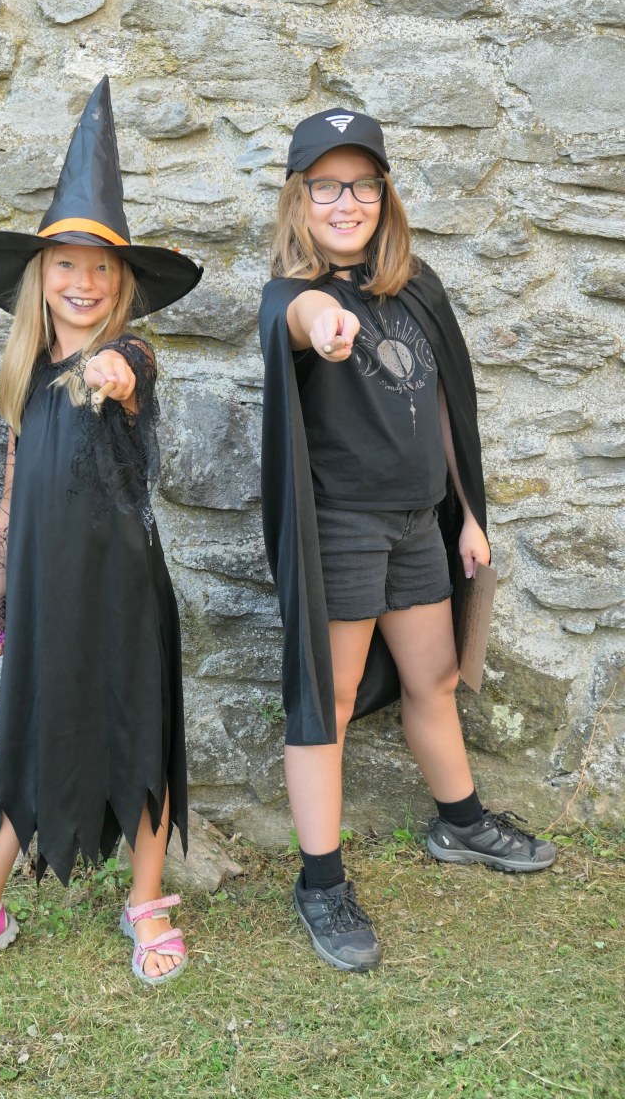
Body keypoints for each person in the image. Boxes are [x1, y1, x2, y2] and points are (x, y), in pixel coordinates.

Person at [0, 77, 203, 1004]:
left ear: (122, 286)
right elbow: (8, 500)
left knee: (138, 730)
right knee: (25, 742)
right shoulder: (25, 376)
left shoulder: (131, 357)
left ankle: (146, 902)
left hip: (122, 592)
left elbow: (127, 377)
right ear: (41, 277)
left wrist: (114, 370)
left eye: (102, 271)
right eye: (67, 267)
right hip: (44, 594)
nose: (84, 284)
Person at [259, 107, 555, 973]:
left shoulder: (416, 287)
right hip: (342, 527)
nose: (345, 202)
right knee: (330, 700)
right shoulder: (290, 295)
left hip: (420, 523)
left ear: (384, 196)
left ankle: (461, 824)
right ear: (300, 199)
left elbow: (447, 411)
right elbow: (303, 314)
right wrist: (325, 324)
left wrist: (468, 513)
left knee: (434, 678)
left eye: (363, 185)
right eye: (326, 186)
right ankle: (321, 882)